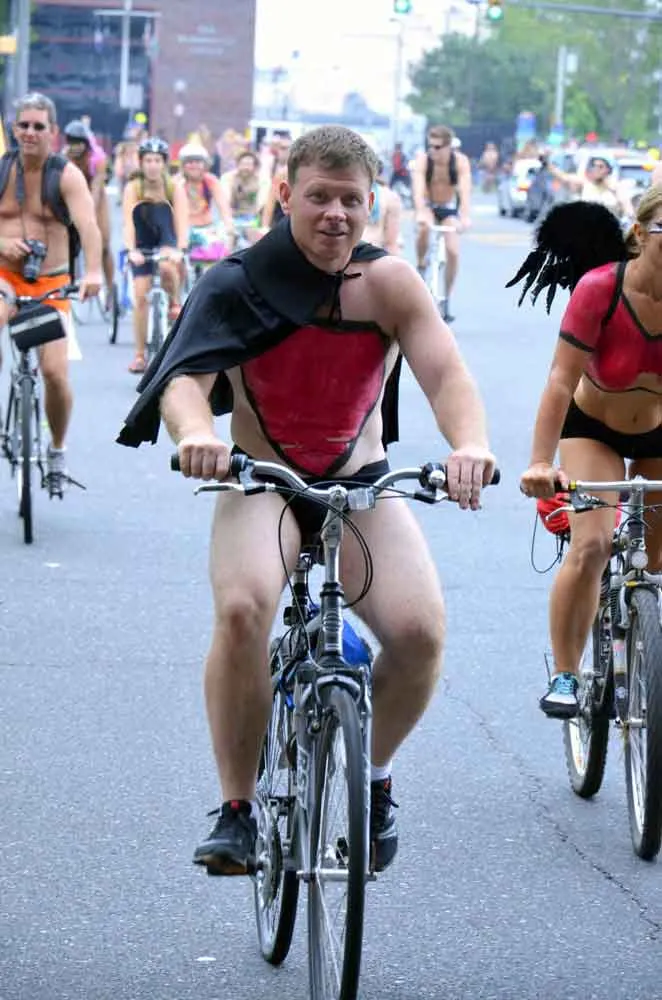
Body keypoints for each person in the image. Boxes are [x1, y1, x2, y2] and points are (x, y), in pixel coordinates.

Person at [117, 124, 496, 877]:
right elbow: (184, 381)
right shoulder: (238, 280)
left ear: (371, 204)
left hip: (360, 483)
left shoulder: (389, 284)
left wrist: (471, 445)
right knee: (242, 609)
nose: (335, 214)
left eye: (351, 200)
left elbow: (447, 375)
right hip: (265, 481)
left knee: (420, 634)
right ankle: (237, 810)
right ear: (286, 193)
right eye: (319, 196)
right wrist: (199, 434)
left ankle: (373, 778)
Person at [510, 192, 662, 718]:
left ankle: (642, 637)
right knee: (592, 544)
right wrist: (539, 462)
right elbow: (560, 380)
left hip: (659, 434)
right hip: (593, 429)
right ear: (640, 234)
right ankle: (567, 674)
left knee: (654, 564)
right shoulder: (601, 289)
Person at [0, 93, 102, 495]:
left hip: (51, 285)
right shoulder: (2, 169)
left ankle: (57, 449)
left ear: (52, 132)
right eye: (23, 125)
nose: (30, 132)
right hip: (4, 278)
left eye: (38, 126)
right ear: (14, 128)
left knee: (55, 374)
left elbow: (88, 226)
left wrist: (93, 272)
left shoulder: (66, 175)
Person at [122, 135, 188, 374]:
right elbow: (128, 223)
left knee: (168, 267)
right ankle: (140, 355)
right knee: (140, 295)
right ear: (141, 163)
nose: (152, 165)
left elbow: (182, 221)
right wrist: (131, 250)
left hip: (166, 238)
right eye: (148, 160)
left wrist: (180, 248)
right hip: (142, 241)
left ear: (164, 163)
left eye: (157, 160)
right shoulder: (133, 187)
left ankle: (174, 301)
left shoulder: (174, 187)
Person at [412, 124, 472, 323]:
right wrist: (420, 211)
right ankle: (421, 264)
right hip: (429, 207)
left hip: (448, 208)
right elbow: (418, 191)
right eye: (430, 146)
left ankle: (446, 297)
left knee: (453, 251)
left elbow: (465, 192)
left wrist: (465, 217)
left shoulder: (460, 162)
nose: (433, 150)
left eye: (437, 147)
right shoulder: (423, 161)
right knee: (423, 228)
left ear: (448, 147)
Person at [62, 119, 115, 305]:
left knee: (105, 245)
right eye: (72, 143)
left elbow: (97, 186)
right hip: (73, 199)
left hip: (96, 200)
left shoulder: (98, 159)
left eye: (79, 143)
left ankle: (110, 289)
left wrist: (88, 212)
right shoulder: (64, 158)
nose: (75, 147)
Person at [177, 142, 235, 266]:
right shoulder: (177, 183)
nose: (194, 165)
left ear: (205, 164)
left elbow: (224, 207)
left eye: (198, 161)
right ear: (182, 165)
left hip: (207, 229)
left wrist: (229, 227)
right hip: (183, 231)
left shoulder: (210, 181)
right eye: (189, 162)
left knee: (220, 254)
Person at [546, 153, 633, 219]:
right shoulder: (586, 183)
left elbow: (628, 209)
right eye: (594, 166)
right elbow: (563, 176)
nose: (596, 169)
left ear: (608, 169)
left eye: (600, 167)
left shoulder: (616, 188)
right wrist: (546, 162)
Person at [220, 150, 269, 245]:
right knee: (227, 237)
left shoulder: (262, 180)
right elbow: (225, 201)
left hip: (252, 219)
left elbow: (261, 204)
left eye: (249, 164)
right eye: (243, 164)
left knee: (253, 238)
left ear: (255, 167)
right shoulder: (228, 178)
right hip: (232, 218)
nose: (245, 167)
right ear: (237, 165)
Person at [362, 159, 402, 254]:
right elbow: (391, 243)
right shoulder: (390, 196)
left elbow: (391, 242)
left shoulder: (389, 197)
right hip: (371, 252)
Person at [260, 132, 292, 229]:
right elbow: (269, 199)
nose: (285, 151)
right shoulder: (269, 163)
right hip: (277, 207)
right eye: (282, 148)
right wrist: (265, 226)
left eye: (288, 148)